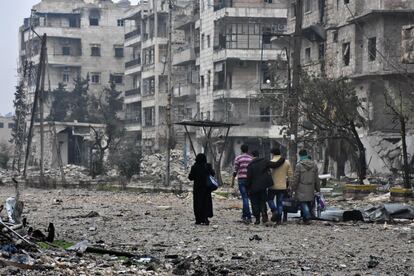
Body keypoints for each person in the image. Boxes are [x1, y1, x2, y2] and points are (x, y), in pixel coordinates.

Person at [246, 150, 285, 225]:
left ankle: (257, 219)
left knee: (254, 203)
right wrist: (282, 159)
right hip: (263, 186)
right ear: (258, 155)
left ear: (252, 156)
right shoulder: (264, 161)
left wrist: (247, 188)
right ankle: (264, 215)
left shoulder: (250, 165)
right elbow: (275, 164)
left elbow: (248, 178)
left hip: (253, 188)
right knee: (262, 201)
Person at [292, 149, 320, 224]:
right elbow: (316, 178)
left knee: (303, 203)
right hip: (311, 187)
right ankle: (304, 218)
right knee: (308, 202)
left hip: (301, 187)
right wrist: (318, 188)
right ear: (306, 154)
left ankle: (307, 217)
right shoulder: (314, 164)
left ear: (300, 155)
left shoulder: (299, 165)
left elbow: (296, 178)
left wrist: (293, 187)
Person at [267, 148, 293, 223]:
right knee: (280, 203)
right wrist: (289, 185)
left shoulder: (270, 162)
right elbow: (290, 175)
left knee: (269, 200)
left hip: (272, 186)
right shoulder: (287, 162)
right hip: (282, 186)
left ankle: (274, 211)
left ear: (273, 154)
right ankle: (279, 219)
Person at [188, 153, 215, 225]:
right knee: (206, 203)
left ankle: (198, 219)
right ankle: (205, 218)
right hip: (206, 188)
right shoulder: (207, 166)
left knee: (197, 203)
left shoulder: (194, 167)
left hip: (197, 188)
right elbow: (213, 174)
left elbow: (191, 177)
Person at [232, 144, 253, 223]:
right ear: (247, 150)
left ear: (241, 150)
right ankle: (244, 215)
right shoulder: (251, 158)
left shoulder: (238, 158)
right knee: (246, 197)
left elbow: (235, 170)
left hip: (241, 179)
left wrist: (232, 181)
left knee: (244, 198)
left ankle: (248, 216)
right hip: (249, 180)